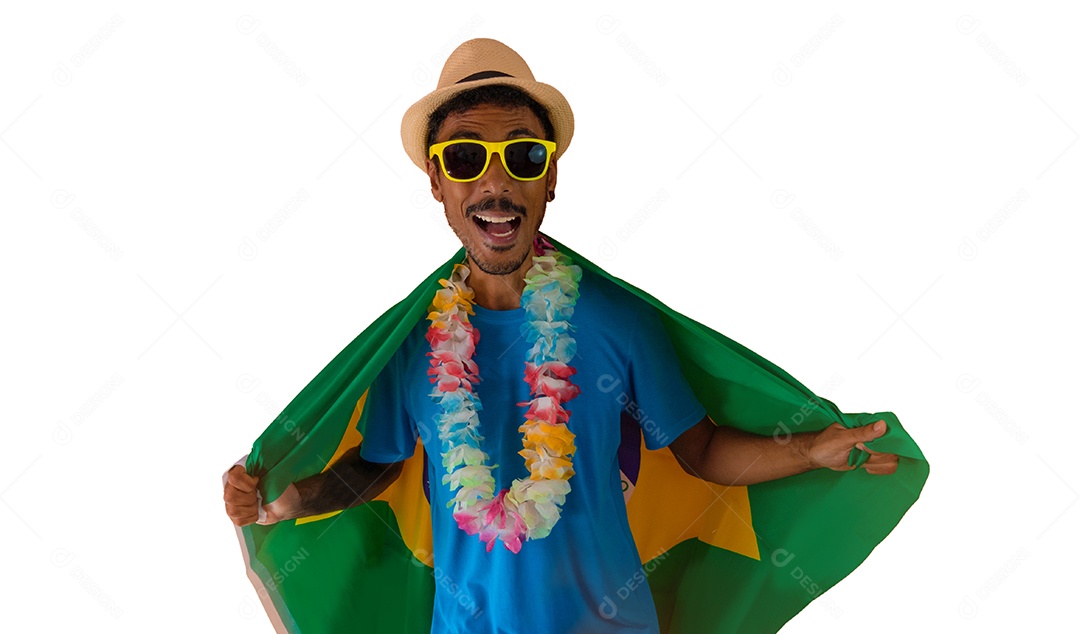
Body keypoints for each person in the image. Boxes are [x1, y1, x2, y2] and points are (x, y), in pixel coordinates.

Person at [225, 38, 903, 633]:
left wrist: (810, 450)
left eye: (521, 155)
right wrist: (287, 501)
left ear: (549, 177)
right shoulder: (412, 345)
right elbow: (374, 466)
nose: (494, 182)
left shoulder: (616, 321)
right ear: (436, 182)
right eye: (464, 158)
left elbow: (702, 451)